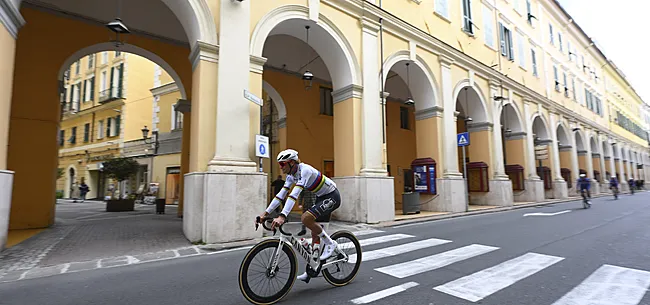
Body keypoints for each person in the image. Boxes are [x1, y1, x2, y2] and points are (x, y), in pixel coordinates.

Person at [258, 149, 341, 283]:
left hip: (332, 196)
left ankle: (330, 244)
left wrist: (282, 216)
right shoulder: (291, 176)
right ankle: (312, 269)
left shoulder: (305, 170)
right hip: (320, 197)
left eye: (282, 164)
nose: (281, 167)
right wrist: (265, 213)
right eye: (279, 164)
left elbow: (293, 195)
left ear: (291, 163)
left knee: (306, 218)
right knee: (315, 231)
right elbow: (280, 195)